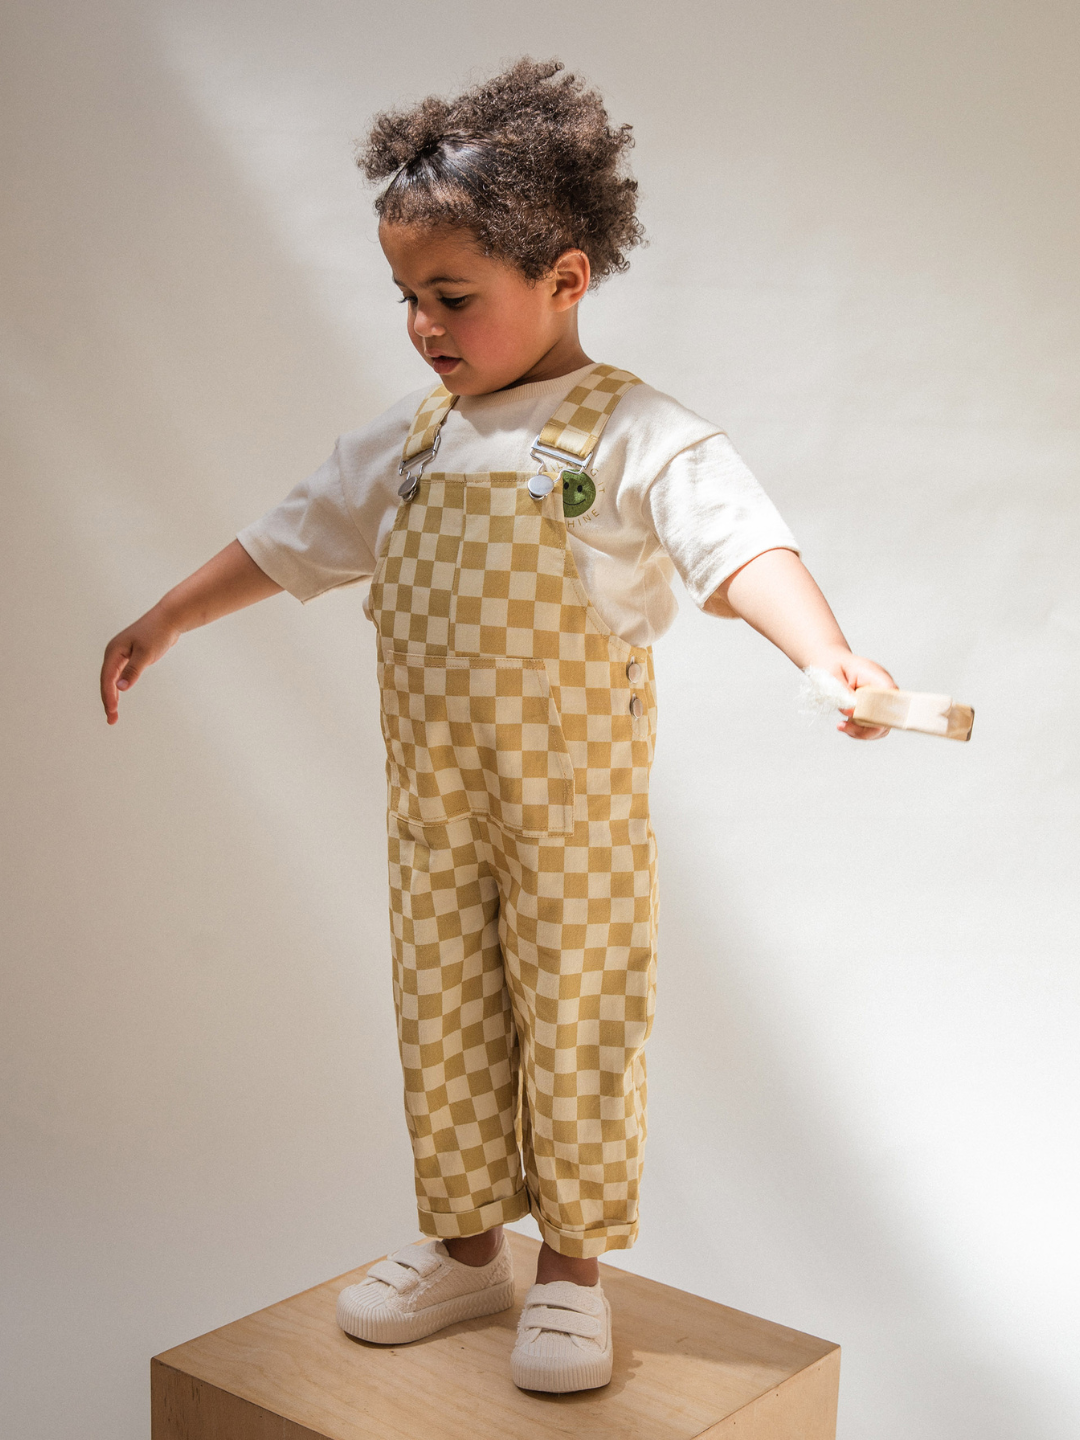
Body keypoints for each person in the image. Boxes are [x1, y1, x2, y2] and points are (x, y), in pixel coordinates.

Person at [99, 58, 894, 1394]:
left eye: (452, 297)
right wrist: (170, 615)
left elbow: (739, 547)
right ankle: (469, 1252)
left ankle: (572, 1268)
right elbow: (287, 541)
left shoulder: (632, 437)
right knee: (446, 1014)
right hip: (434, 805)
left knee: (577, 1021)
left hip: (571, 812)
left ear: (567, 279)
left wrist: (828, 654)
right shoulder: (405, 448)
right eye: (407, 297)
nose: (423, 324)